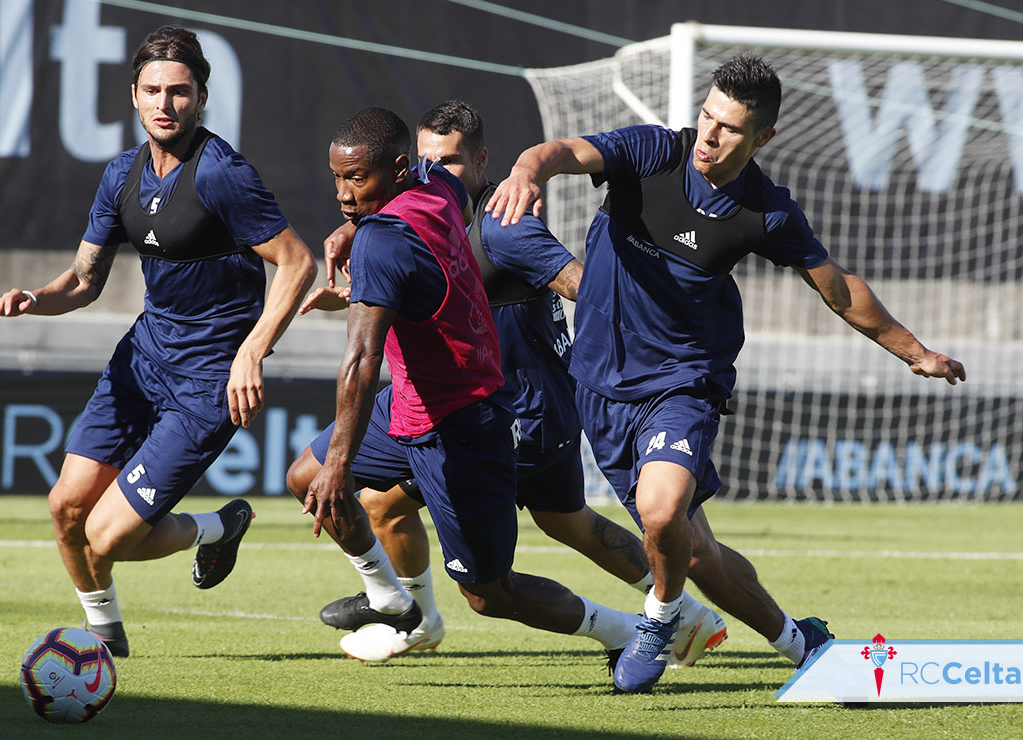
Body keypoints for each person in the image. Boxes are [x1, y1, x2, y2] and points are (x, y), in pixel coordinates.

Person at [488, 55, 966, 694]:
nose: (709, 136)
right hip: (600, 384)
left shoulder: (765, 211)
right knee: (693, 553)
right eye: (708, 116)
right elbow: (564, 151)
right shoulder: (653, 152)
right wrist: (526, 170)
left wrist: (915, 352)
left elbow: (841, 289)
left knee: (661, 516)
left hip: (683, 381)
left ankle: (658, 623)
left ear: (762, 137)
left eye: (730, 128)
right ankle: (804, 644)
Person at [307, 100, 726, 667]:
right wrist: (352, 226)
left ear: (480, 161)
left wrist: (657, 332)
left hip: (508, 412)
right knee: (564, 522)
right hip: (461, 400)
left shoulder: (501, 228)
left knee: (488, 582)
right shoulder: (438, 197)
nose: (344, 191)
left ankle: (651, 625)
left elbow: (582, 286)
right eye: (339, 178)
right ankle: (407, 612)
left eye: (452, 160)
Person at [0, 26, 315, 658]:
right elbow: (84, 280)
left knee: (105, 537)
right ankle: (105, 637)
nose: (166, 104)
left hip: (207, 381)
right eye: (153, 90)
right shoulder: (120, 177)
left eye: (180, 92)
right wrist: (35, 299)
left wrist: (251, 351)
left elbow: (297, 263)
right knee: (65, 509)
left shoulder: (222, 174)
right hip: (143, 360)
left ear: (202, 97)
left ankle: (213, 528)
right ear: (133, 95)